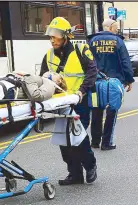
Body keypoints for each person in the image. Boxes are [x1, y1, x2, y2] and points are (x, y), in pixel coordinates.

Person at [40, 17, 97, 185]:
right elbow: (43, 79)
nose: (52, 40)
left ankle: (90, 164)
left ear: (66, 36)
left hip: (80, 102)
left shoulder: (81, 49)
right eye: (50, 36)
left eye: (56, 36)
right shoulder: (48, 55)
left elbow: (92, 72)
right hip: (60, 104)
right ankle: (75, 174)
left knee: (78, 138)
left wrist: (81, 91)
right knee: (64, 142)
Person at [87, 19, 134, 150]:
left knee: (96, 110)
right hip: (113, 82)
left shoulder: (91, 41)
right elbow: (125, 61)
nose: (117, 30)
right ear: (110, 27)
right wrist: (129, 80)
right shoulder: (118, 41)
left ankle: (95, 141)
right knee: (112, 110)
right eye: (116, 27)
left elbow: (86, 61)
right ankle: (106, 142)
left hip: (95, 82)